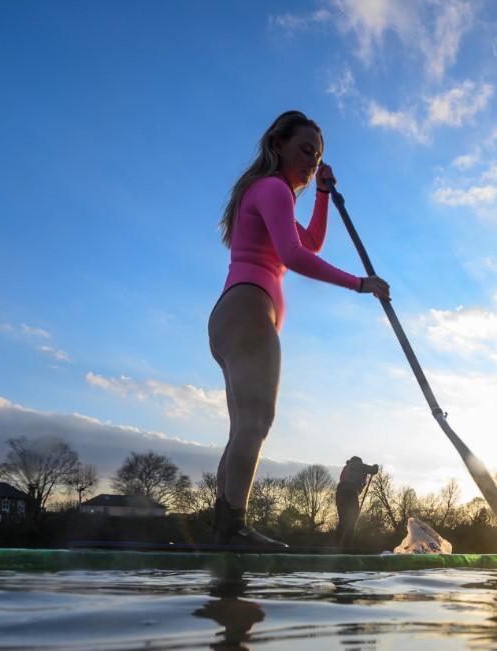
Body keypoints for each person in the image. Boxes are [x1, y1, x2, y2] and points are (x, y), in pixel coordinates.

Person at [208, 111, 390, 547]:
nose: (312, 160)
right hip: (250, 308)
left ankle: (223, 526)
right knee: (256, 422)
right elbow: (293, 255)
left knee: (243, 428)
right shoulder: (272, 187)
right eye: (306, 149)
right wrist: (360, 284)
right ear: (278, 144)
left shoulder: (273, 194)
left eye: (319, 154)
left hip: (236, 313)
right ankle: (233, 527)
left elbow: (310, 241)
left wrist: (323, 194)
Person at [335, 456, 379, 546]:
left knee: (345, 520)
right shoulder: (353, 464)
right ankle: (343, 545)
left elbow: (360, 486)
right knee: (350, 519)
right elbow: (365, 468)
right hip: (347, 492)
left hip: (344, 493)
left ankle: (339, 544)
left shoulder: (353, 470)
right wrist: (373, 469)